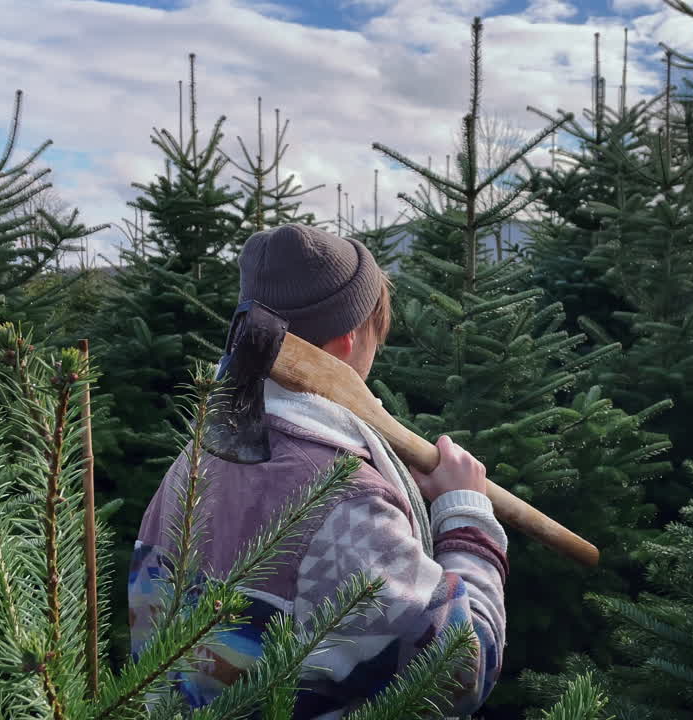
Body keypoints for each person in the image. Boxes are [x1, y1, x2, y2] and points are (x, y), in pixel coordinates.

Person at [127, 223, 508, 718]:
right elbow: (460, 672)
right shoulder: (345, 500)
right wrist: (465, 518)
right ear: (348, 340)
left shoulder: (198, 458)